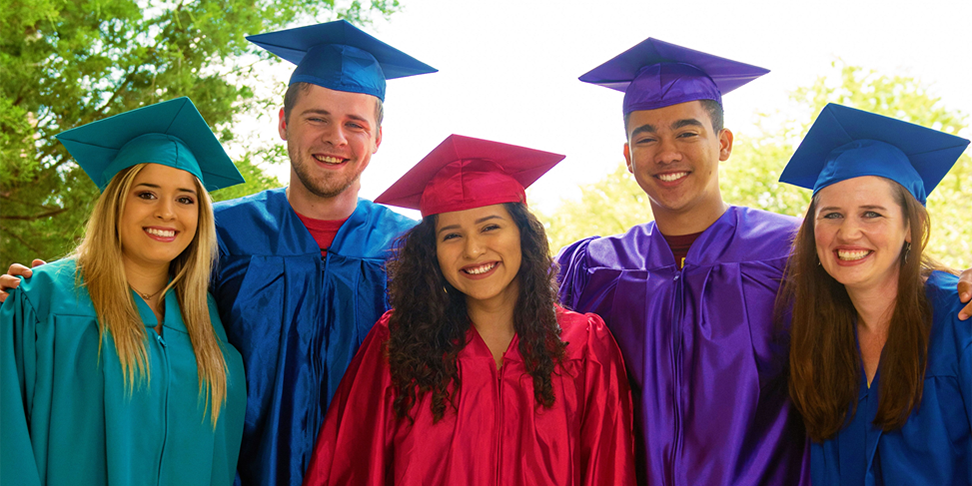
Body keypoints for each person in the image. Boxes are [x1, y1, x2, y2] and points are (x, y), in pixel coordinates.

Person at [0, 20, 437, 486]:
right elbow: (129, 283)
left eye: (356, 123)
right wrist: (50, 293)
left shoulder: (411, 251)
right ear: (284, 123)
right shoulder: (220, 234)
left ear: (377, 139)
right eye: (317, 118)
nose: (336, 137)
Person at [555, 37, 972, 485]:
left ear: (724, 143)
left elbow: (891, 279)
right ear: (628, 158)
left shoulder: (795, 251)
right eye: (647, 138)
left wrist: (956, 279)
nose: (667, 152)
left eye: (687, 132)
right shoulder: (592, 268)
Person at [302, 135, 636, 485]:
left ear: (522, 234)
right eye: (451, 235)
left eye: (490, 227)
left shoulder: (582, 345)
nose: (474, 250)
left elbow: (607, 468)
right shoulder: (398, 343)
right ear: (432, 251)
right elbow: (353, 466)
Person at [0, 97, 247, 486]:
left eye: (185, 199)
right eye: (146, 193)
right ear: (116, 201)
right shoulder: (45, 301)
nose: (167, 212)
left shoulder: (207, 321)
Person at [779, 103, 972, 484]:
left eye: (872, 214)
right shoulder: (820, 337)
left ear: (910, 228)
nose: (849, 233)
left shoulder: (960, 320)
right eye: (831, 215)